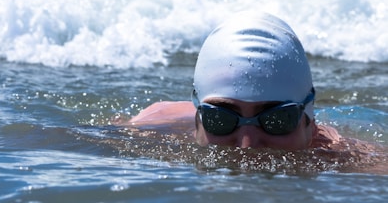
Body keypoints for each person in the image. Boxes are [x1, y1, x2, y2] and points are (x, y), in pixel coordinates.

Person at [127, 11, 342, 150]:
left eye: (277, 120)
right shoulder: (145, 128)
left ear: (311, 127)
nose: (246, 145)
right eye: (220, 119)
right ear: (197, 123)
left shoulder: (344, 160)